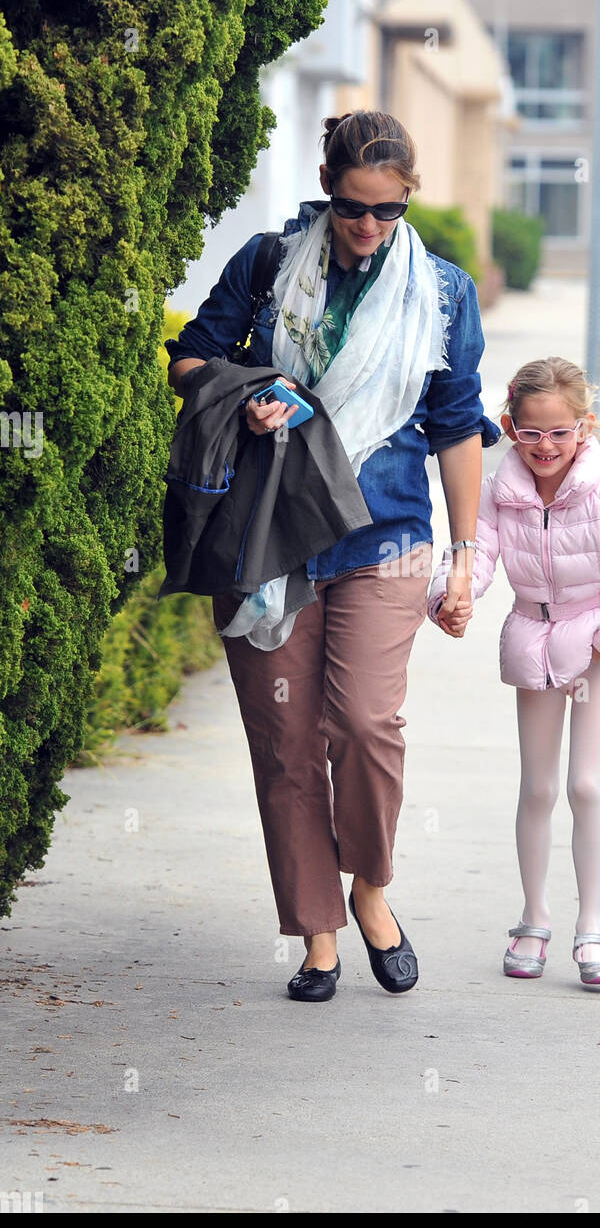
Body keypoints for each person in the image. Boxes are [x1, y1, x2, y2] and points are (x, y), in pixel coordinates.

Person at [166, 110, 500, 1002]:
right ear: (325, 186)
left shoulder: (441, 293)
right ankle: (318, 933)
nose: (367, 227)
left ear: (408, 200)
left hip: (385, 533)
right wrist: (250, 393)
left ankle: (373, 890)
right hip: (270, 532)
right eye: (352, 207)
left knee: (363, 725)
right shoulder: (270, 263)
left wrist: (464, 557)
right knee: (283, 744)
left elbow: (459, 427)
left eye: (387, 211)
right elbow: (192, 359)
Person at [428, 357, 600, 986]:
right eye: (531, 432)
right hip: (532, 639)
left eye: (560, 432)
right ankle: (533, 918)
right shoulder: (498, 494)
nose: (546, 446)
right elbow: (474, 555)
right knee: (537, 788)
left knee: (586, 786)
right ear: (511, 428)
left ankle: (591, 926)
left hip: (592, 645)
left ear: (584, 429)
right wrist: (451, 595)